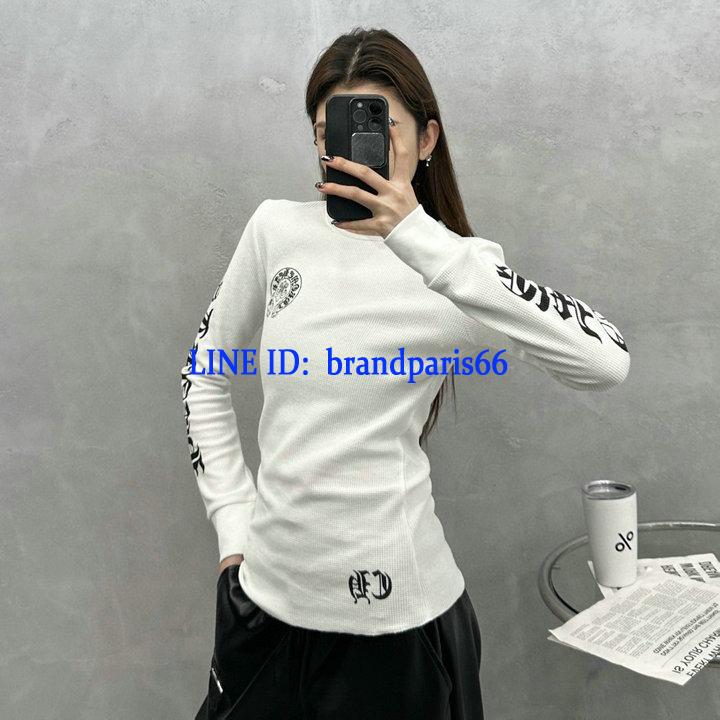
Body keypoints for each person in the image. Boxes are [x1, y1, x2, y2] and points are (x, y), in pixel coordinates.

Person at [182, 27, 631, 720]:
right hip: (262, 613)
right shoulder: (275, 231)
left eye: (377, 128)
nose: (346, 150)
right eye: (327, 134)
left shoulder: (459, 268)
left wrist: (417, 237)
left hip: (399, 634)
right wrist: (232, 526)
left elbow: (606, 360)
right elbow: (204, 373)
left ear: (427, 139)